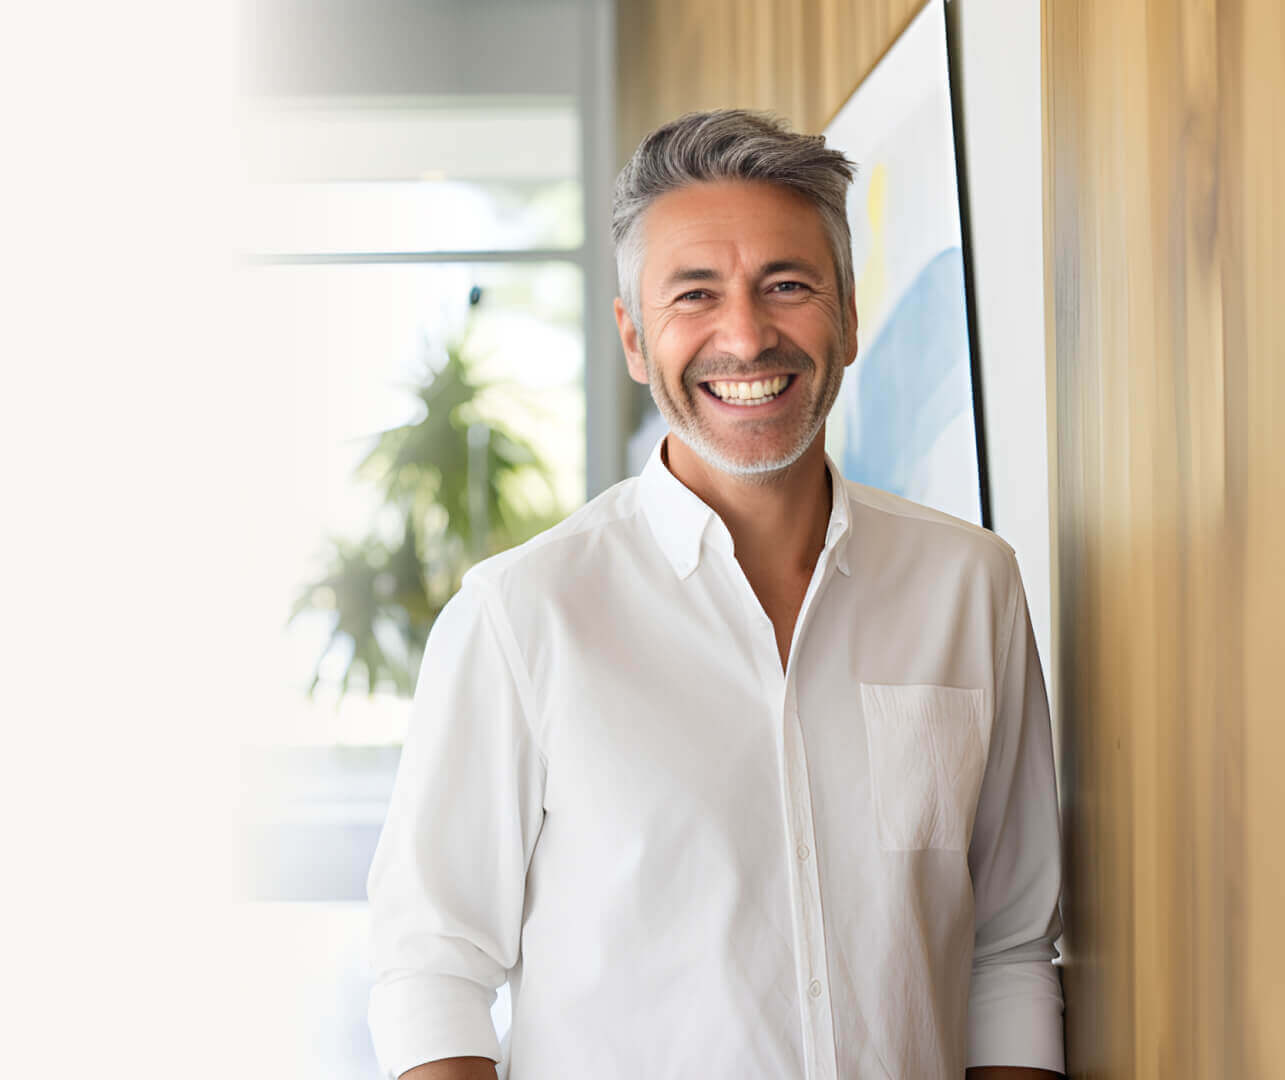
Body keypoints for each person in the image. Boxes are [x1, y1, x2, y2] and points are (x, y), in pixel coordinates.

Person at [367, 110, 1065, 1080]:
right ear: (632, 337)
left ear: (850, 316)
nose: (744, 335)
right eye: (695, 295)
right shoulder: (521, 616)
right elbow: (431, 971)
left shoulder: (969, 587)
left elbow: (1009, 951)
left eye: (787, 285)